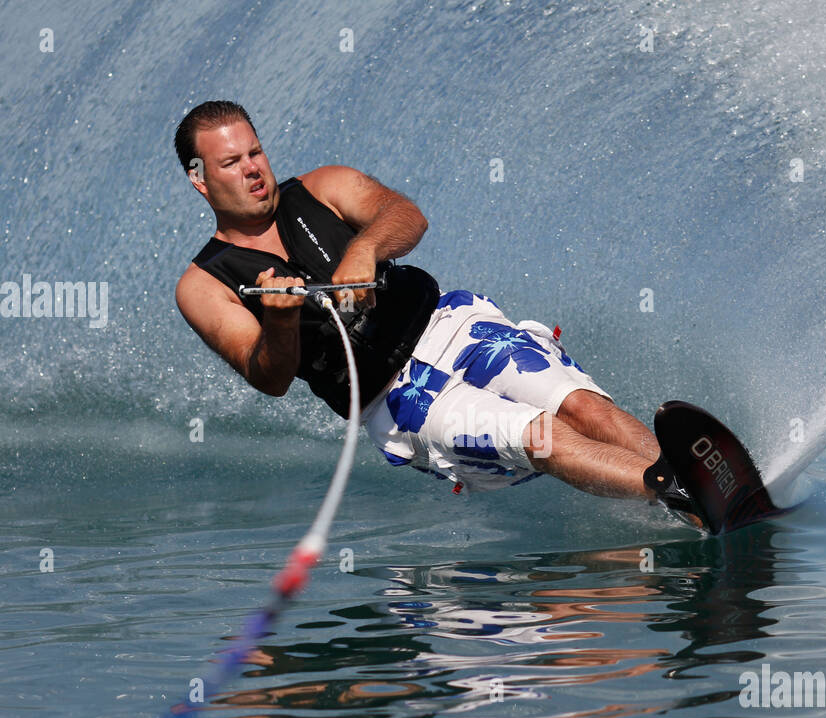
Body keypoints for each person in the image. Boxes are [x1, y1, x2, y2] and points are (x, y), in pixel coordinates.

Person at [173, 100, 696, 518]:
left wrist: (365, 248)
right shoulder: (203, 284)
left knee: (583, 407)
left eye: (255, 153)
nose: (253, 170)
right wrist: (282, 321)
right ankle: (677, 492)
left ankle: (700, 487)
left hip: (451, 323)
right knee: (542, 436)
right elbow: (269, 377)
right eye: (231, 163)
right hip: (396, 399)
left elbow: (406, 216)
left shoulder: (323, 186)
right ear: (200, 179)